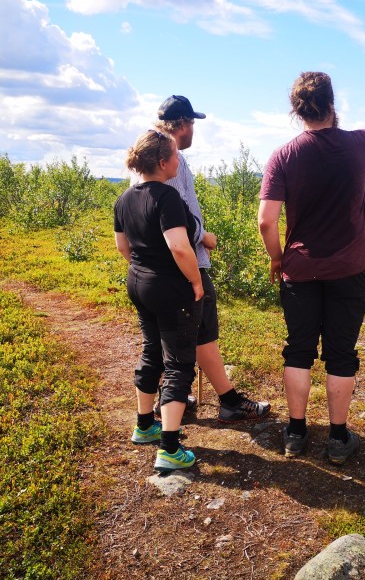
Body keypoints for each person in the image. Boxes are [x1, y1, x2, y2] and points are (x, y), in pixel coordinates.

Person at [258, 72, 365, 465]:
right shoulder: (359, 144)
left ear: (296, 110)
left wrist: (276, 257)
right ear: (333, 104)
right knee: (341, 354)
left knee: (298, 351)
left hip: (300, 271)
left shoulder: (284, 155)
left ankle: (296, 432)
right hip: (349, 270)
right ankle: (338, 438)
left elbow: (266, 221)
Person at [149, 95, 271, 422]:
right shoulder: (169, 158)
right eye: (193, 124)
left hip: (160, 267)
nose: (194, 131)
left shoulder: (149, 155)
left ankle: (171, 398)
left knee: (174, 335)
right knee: (201, 333)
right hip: (187, 262)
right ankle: (225, 401)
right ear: (184, 125)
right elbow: (172, 214)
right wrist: (203, 236)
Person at [115, 130, 202, 473]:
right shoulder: (166, 197)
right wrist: (195, 280)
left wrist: (145, 270)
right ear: (163, 162)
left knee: (152, 350)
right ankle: (168, 447)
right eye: (175, 156)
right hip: (169, 288)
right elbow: (179, 246)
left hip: (137, 282)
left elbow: (123, 248)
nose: (179, 161)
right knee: (179, 361)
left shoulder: (125, 199)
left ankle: (144, 425)